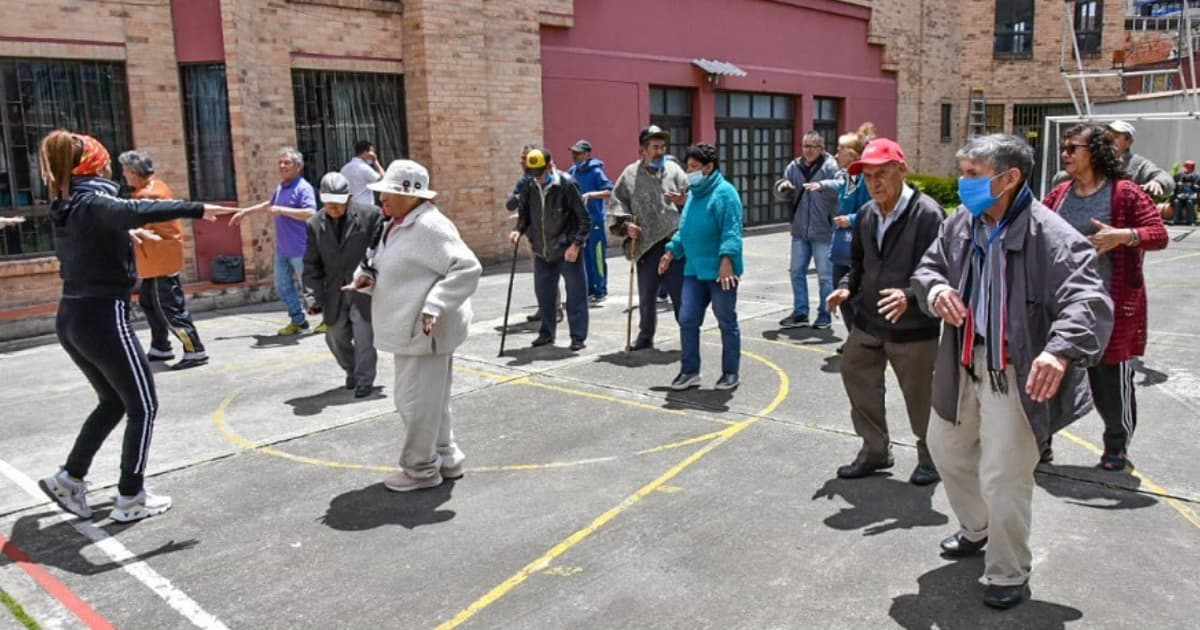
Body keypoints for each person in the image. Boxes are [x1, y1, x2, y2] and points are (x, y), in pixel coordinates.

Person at [912, 133, 1113, 609]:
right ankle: (978, 528)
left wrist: (1058, 350)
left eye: (973, 174)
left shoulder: (1052, 234)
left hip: (1017, 368)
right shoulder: (962, 223)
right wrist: (936, 290)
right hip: (964, 359)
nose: (963, 184)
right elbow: (929, 267)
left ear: (1010, 178)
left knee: (1005, 474)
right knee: (945, 447)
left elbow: (1089, 300)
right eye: (963, 172)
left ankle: (1008, 572)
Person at [35, 130, 232, 521]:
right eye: (106, 161)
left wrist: (127, 233)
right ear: (94, 165)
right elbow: (131, 211)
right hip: (102, 315)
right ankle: (131, 497)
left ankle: (70, 478)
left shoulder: (69, 199)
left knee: (113, 402)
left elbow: (104, 227)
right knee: (143, 405)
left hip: (73, 315)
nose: (111, 167)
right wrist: (197, 208)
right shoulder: (94, 200)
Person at [346, 160, 481, 491]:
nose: (382, 200)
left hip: (424, 333)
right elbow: (380, 263)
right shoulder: (395, 223)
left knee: (414, 402)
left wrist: (435, 304)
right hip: (409, 329)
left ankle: (421, 469)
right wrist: (366, 277)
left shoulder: (431, 226)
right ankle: (447, 459)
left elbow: (467, 268)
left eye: (390, 193)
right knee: (431, 402)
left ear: (412, 195)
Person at [1042, 123, 1168, 471]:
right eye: (1064, 148)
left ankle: (1116, 446)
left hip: (1109, 307)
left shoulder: (1125, 193)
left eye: (1072, 148)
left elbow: (1157, 234)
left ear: (1095, 151)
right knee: (1050, 374)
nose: (1065, 154)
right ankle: (1042, 443)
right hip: (1063, 305)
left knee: (1110, 381)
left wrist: (1123, 235)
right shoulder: (1059, 193)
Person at [826, 139, 945, 486]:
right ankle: (875, 450)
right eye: (867, 176)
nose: (874, 182)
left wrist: (910, 295)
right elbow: (859, 262)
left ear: (902, 171)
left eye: (882, 174)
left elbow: (944, 271)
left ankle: (931, 457)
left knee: (920, 395)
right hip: (868, 320)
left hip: (913, 326)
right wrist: (847, 286)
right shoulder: (866, 214)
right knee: (855, 371)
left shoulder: (929, 215)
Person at [660, 143, 744, 391]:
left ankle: (730, 373)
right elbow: (686, 230)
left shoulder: (725, 193)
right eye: (688, 167)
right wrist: (671, 251)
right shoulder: (695, 194)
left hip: (720, 272)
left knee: (726, 321)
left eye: (694, 167)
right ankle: (689, 372)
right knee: (687, 319)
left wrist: (727, 261)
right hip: (694, 270)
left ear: (709, 167)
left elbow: (732, 231)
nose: (689, 172)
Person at [117, 150, 209, 370]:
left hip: (160, 261)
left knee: (169, 309)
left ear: (132, 171)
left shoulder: (147, 195)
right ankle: (161, 346)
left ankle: (195, 350)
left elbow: (133, 223)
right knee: (149, 303)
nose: (123, 176)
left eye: (124, 171)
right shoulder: (155, 187)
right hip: (156, 261)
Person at [303, 172, 384, 398]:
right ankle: (351, 370)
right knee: (335, 337)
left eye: (338, 205)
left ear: (349, 197)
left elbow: (379, 252)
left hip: (363, 288)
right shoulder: (314, 224)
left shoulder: (370, 216)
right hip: (335, 292)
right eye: (329, 205)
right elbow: (311, 265)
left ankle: (365, 379)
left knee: (364, 336)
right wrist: (312, 298)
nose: (334, 209)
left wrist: (368, 275)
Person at [608, 125, 688, 350]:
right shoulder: (629, 175)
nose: (660, 151)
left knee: (680, 294)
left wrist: (683, 200)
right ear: (641, 151)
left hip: (674, 243)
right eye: (655, 147)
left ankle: (688, 336)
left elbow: (693, 197)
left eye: (663, 147)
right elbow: (617, 204)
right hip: (645, 244)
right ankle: (645, 336)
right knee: (647, 295)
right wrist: (626, 226)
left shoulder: (674, 171)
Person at [508, 148, 590, 350]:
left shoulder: (567, 185)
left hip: (567, 250)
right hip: (542, 250)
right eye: (533, 173)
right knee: (544, 295)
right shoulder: (529, 184)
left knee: (576, 295)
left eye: (541, 173)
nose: (537, 178)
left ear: (550, 166)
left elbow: (585, 220)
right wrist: (518, 231)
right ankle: (546, 333)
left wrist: (576, 244)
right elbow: (524, 215)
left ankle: (578, 337)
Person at [230, 148, 317, 335]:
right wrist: (246, 212)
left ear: (298, 167)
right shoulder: (281, 187)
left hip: (300, 248)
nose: (282, 166)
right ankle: (298, 321)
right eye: (280, 163)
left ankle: (329, 320)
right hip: (282, 249)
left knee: (311, 288)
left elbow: (310, 213)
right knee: (282, 286)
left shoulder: (303, 188)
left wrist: (281, 210)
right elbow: (270, 205)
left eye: (287, 163)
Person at [775, 131, 841, 329]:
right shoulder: (794, 167)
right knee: (796, 272)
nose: (809, 150)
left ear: (822, 148)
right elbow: (780, 192)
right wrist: (782, 186)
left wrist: (822, 184)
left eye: (813, 146)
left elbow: (841, 184)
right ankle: (800, 312)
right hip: (800, 230)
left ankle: (825, 314)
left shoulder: (830, 166)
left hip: (823, 230)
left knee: (825, 276)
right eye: (806, 146)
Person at [817, 125, 874, 352]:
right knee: (840, 294)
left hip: (858, 244)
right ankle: (854, 336)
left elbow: (873, 208)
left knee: (856, 296)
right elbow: (835, 185)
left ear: (852, 155)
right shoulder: (846, 177)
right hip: (842, 245)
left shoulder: (864, 180)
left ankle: (863, 338)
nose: (836, 153)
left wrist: (850, 219)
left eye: (840, 149)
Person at [1051, 120, 1174, 197]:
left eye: (1115, 136)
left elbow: (1164, 176)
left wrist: (1158, 182)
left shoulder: (1138, 164)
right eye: (1108, 135)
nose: (1065, 154)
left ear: (1129, 142)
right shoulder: (1063, 180)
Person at [567, 139, 614, 304]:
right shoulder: (572, 171)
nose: (574, 156)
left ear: (587, 154)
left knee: (597, 254)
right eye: (573, 153)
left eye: (578, 153)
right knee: (583, 256)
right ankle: (588, 288)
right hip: (578, 222)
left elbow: (609, 191)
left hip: (595, 220)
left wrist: (591, 195)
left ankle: (601, 289)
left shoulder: (596, 172)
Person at [340, 140, 385, 206]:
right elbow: (383, 179)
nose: (374, 154)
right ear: (365, 152)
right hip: (366, 206)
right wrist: (375, 161)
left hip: (350, 207)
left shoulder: (344, 168)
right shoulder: (364, 168)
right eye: (372, 152)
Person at [1172, 160, 1198, 226]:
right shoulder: (1178, 175)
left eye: (1190, 168)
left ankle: (1191, 221)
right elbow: (1172, 185)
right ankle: (1176, 220)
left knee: (1189, 202)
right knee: (1176, 201)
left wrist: (1192, 186)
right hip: (1180, 196)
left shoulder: (1197, 176)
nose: (1188, 170)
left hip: (1191, 197)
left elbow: (1198, 188)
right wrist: (1178, 185)